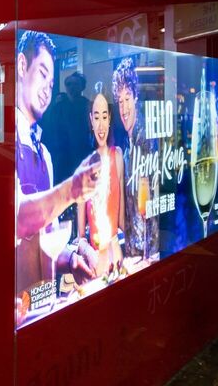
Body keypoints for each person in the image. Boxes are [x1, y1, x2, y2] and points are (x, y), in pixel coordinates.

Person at [14, 31, 100, 311]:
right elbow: (17, 218)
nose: (47, 91)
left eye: (52, 84)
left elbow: (43, 239)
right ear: (22, 66)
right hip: (14, 319)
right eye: (42, 74)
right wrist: (71, 190)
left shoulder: (45, 155)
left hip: (43, 310)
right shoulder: (2, 146)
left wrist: (71, 257)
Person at [76, 83, 126, 279]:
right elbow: (80, 238)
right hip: (96, 267)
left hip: (118, 261)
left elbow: (122, 223)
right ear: (91, 120)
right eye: (96, 117)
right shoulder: (83, 169)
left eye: (104, 116)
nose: (101, 124)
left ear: (110, 118)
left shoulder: (118, 157)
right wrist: (89, 252)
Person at [113, 57, 159, 261]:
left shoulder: (145, 139)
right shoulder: (128, 143)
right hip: (134, 250)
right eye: (120, 101)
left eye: (127, 98)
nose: (124, 108)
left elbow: (149, 205)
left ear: (136, 97)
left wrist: (148, 257)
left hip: (147, 252)